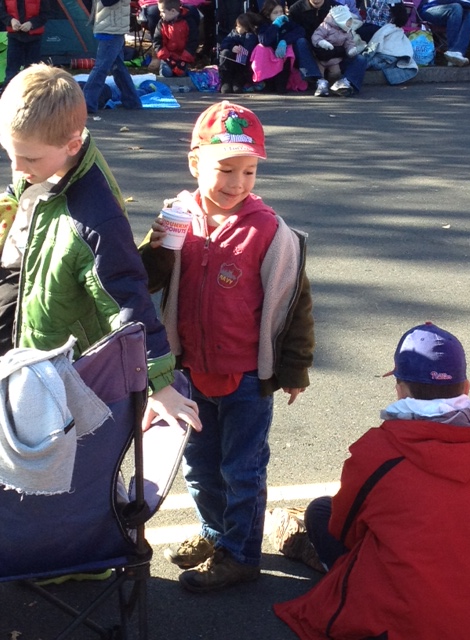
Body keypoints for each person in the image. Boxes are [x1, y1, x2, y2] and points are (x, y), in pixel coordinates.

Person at [140, 100, 315, 592]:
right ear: (195, 163)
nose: (237, 183)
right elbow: (145, 281)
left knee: (242, 470)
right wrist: (157, 246)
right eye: (225, 170)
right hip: (190, 374)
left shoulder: (269, 230)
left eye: (249, 171)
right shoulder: (178, 218)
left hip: (246, 379)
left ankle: (240, 555)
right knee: (199, 467)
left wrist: (295, 369)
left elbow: (294, 304)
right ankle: (215, 533)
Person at [0, 64, 201, 441]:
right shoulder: (44, 157)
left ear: (72, 145)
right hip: (22, 344)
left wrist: (159, 383)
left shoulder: (95, 217)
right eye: (10, 153)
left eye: (28, 159)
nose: (17, 167)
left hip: (56, 375)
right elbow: (23, 195)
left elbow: (127, 299)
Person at [273, 321, 470, 638]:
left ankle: (330, 568)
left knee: (320, 512)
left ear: (400, 389)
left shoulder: (377, 452)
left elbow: (344, 530)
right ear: (465, 387)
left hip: (405, 620)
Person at [289, 0, 368, 96]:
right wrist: (318, 50)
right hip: (311, 54)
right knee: (300, 42)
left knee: (361, 59)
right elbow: (295, 33)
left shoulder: (337, 8)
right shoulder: (296, 9)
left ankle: (345, 83)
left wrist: (334, 52)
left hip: (336, 53)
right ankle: (318, 80)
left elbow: (347, 35)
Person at [82, 0, 142, 114]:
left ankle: (87, 102)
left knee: (109, 67)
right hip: (111, 27)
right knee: (110, 67)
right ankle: (132, 101)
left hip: (111, 27)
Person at [251, 0, 311, 93]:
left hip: (283, 57)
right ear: (268, 15)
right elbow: (264, 40)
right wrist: (275, 25)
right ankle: (268, 83)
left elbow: (300, 31)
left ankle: (281, 84)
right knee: (261, 48)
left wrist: (284, 41)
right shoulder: (264, 25)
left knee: (289, 51)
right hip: (269, 56)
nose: (279, 15)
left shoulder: (287, 22)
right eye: (275, 13)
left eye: (281, 12)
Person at [0, 0, 50, 91]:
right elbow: (2, 12)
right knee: (11, 72)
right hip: (14, 38)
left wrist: (32, 23)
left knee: (33, 73)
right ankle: (7, 93)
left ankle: (33, 94)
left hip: (34, 39)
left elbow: (46, 14)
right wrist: (11, 21)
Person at [150, 0, 200, 77]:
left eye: (162, 12)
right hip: (168, 57)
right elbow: (157, 42)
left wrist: (183, 61)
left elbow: (193, 42)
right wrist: (167, 59)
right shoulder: (161, 23)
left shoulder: (188, 22)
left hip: (183, 58)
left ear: (173, 11)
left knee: (181, 74)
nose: (160, 14)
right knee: (166, 73)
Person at [311, 5, 359, 87]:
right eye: (348, 22)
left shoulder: (347, 31)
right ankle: (321, 85)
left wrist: (351, 49)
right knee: (319, 72)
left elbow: (349, 42)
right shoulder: (325, 26)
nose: (349, 24)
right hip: (320, 57)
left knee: (336, 73)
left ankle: (333, 85)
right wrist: (321, 42)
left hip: (334, 60)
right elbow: (316, 35)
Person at [418, 0, 470, 66]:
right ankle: (452, 51)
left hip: (451, 11)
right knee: (456, 7)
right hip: (429, 9)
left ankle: (457, 53)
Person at [218, 11, 259, 93]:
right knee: (225, 53)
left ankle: (238, 82)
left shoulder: (252, 36)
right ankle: (226, 81)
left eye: (239, 26)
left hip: (243, 66)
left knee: (237, 88)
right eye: (237, 26)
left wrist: (246, 37)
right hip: (231, 62)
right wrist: (232, 47)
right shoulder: (233, 33)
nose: (237, 28)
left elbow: (248, 48)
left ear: (245, 27)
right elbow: (224, 44)